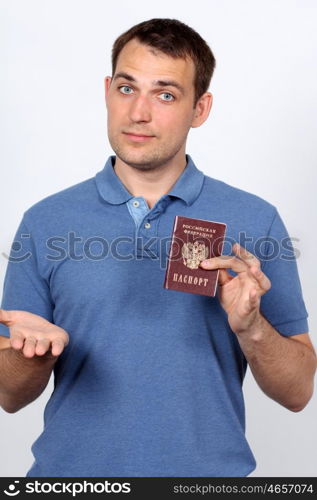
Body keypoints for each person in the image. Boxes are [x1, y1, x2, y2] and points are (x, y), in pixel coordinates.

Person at [0, 18, 315, 478]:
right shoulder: (45, 222)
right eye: (127, 89)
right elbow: (9, 397)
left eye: (165, 94)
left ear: (199, 108)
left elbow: (298, 392)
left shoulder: (255, 220)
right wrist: (32, 356)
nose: (138, 113)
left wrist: (252, 329)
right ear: (108, 90)